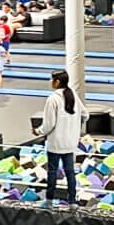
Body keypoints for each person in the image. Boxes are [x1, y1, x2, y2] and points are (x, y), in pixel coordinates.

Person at [35, 71, 81, 205]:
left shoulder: (52, 99)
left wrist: (38, 131)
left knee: (53, 172)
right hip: (70, 142)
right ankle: (72, 201)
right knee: (70, 172)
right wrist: (75, 126)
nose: (50, 82)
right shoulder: (73, 95)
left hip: (56, 143)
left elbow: (49, 124)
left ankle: (49, 199)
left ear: (57, 82)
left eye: (52, 80)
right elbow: (85, 114)